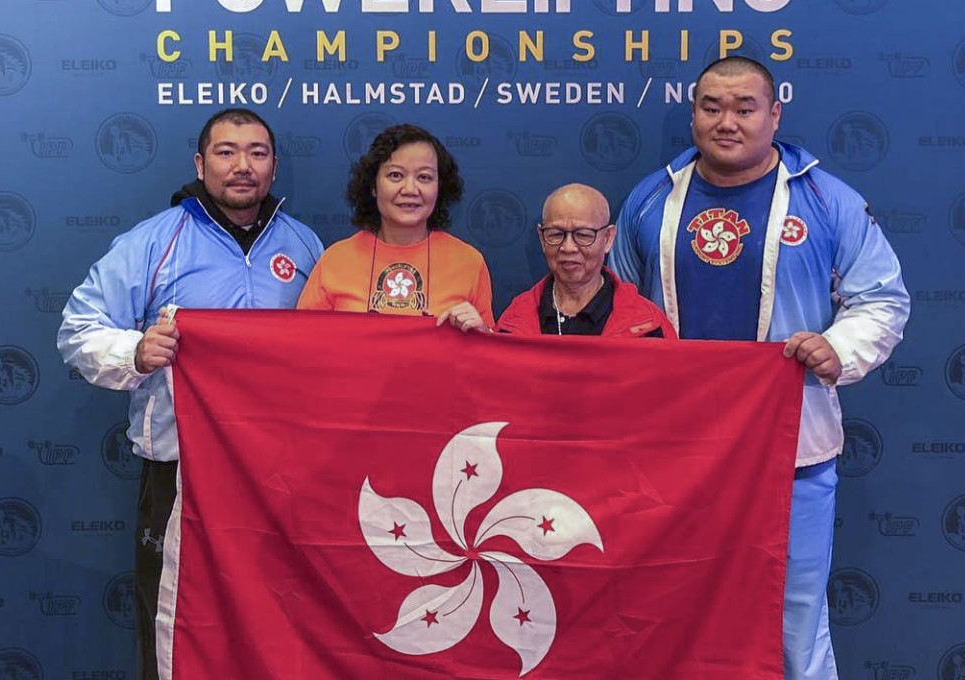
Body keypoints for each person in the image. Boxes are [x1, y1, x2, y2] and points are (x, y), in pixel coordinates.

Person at [609, 57, 910, 679]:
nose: (727, 122)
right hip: (676, 456)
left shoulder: (827, 198)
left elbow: (882, 298)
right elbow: (618, 309)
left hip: (790, 456)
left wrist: (840, 350)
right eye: (711, 107)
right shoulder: (649, 201)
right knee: (670, 608)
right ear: (692, 113)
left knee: (794, 614)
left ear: (774, 115)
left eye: (744, 108)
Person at [57, 108, 325, 680]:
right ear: (201, 164)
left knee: (280, 622)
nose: (242, 166)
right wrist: (134, 352)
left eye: (256, 152)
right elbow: (77, 330)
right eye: (226, 152)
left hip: (282, 476)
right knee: (176, 625)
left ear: (274, 167)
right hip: (182, 471)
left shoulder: (306, 246)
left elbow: (334, 351)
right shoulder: (155, 240)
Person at [296, 123, 494, 326]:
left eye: (424, 177)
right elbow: (304, 343)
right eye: (395, 175)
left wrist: (482, 334)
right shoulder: (335, 260)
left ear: (439, 188)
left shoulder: (469, 262)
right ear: (373, 186)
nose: (410, 189)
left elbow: (488, 354)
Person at [440, 183, 675, 338]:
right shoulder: (514, 321)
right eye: (556, 234)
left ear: (608, 238)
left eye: (583, 235)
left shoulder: (648, 325)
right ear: (542, 238)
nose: (568, 247)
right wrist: (482, 342)